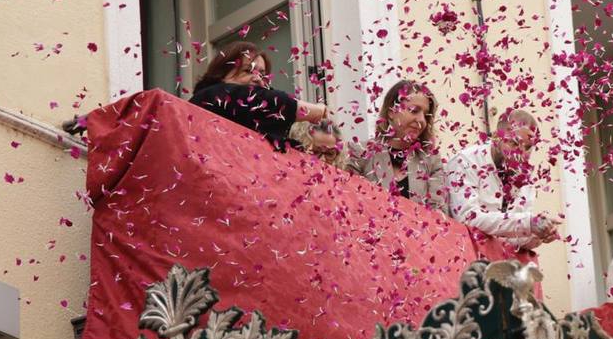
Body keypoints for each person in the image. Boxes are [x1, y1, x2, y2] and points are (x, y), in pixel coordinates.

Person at [445, 108, 563, 250]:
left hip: (498, 266)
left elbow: (511, 237)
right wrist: (528, 223)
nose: (520, 153)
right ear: (496, 138)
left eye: (528, 147)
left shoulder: (525, 177)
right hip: (465, 259)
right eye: (513, 143)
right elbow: (467, 219)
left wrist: (538, 234)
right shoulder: (465, 161)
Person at [188, 43, 326, 147]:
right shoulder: (211, 95)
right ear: (222, 74)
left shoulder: (249, 115)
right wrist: (319, 111)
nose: (258, 78)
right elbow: (272, 101)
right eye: (248, 71)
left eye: (263, 75)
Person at [348, 80, 450, 215]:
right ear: (392, 111)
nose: (421, 120)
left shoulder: (431, 160)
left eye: (426, 115)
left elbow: (439, 212)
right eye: (414, 110)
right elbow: (350, 207)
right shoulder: (360, 152)